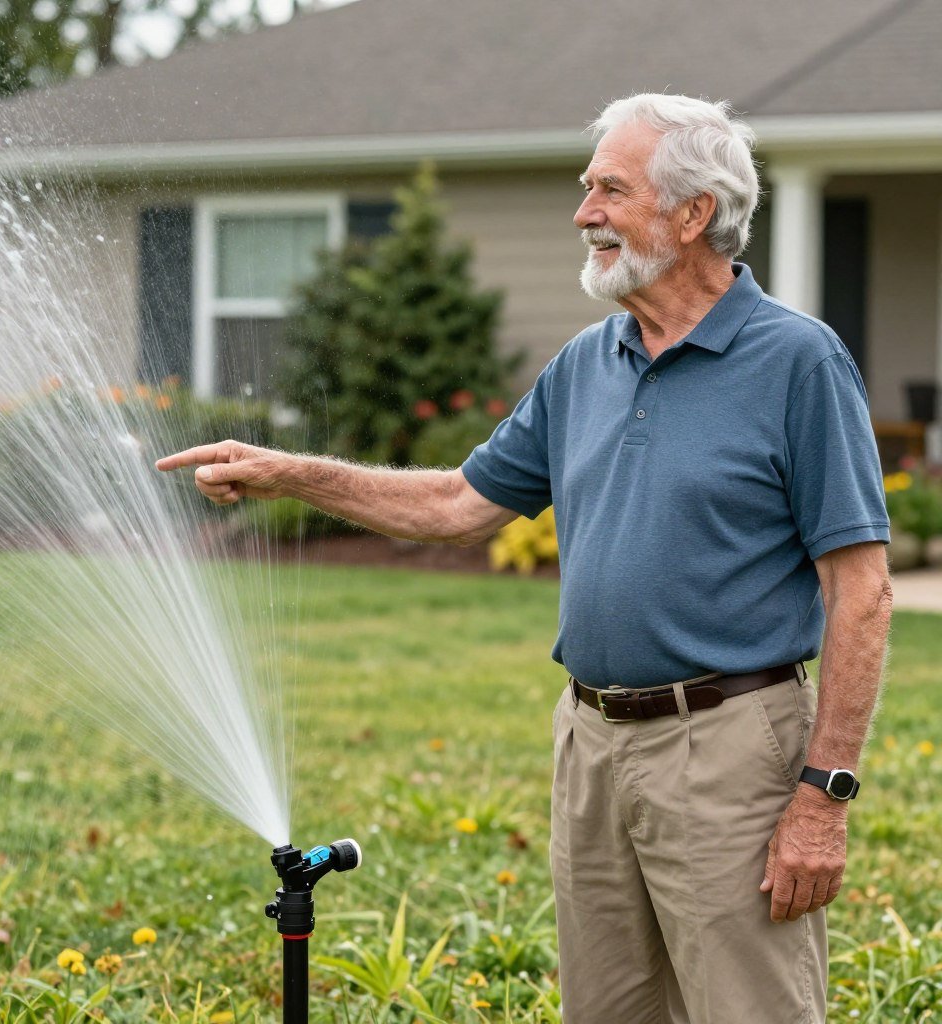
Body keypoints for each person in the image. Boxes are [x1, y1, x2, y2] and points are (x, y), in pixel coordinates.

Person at [156, 93, 893, 1024]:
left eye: (610, 190)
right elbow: (461, 503)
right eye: (587, 188)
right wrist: (293, 473)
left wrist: (823, 797)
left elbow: (860, 594)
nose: (584, 212)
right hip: (589, 743)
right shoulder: (588, 362)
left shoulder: (798, 363)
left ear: (693, 212)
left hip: (731, 745)